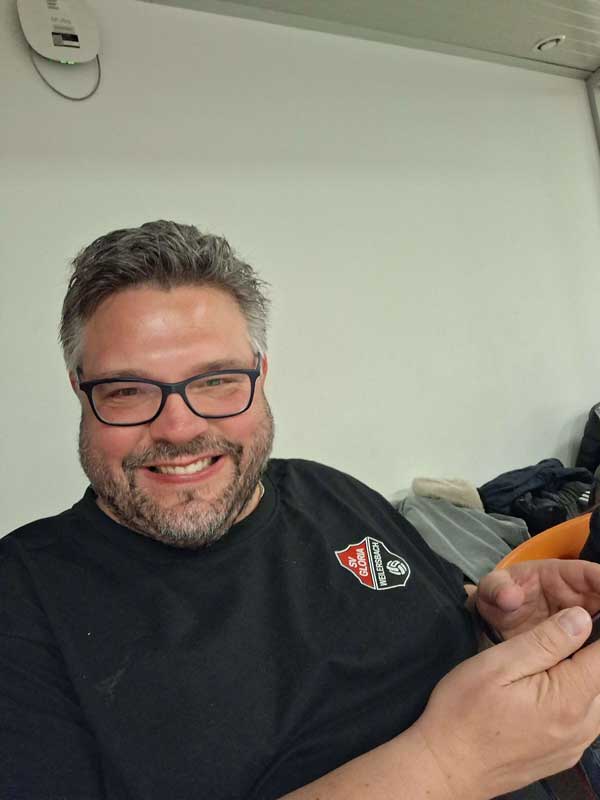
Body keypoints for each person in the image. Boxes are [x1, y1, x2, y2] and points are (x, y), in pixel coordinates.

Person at [3, 220, 600, 800]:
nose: (179, 428)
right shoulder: (24, 597)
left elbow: (446, 614)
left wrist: (497, 624)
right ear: (80, 390)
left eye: (216, 380)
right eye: (128, 391)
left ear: (261, 375)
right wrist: (450, 766)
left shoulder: (327, 489)